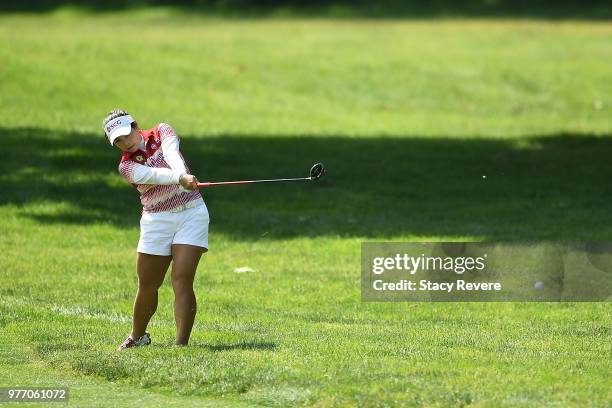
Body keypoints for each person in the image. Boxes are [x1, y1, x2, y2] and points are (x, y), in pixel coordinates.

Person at [102, 109, 210, 350]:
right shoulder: (126, 167)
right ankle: (138, 336)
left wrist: (182, 174)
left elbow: (172, 155)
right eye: (117, 141)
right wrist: (180, 179)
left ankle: (181, 346)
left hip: (191, 213)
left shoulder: (163, 130)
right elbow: (153, 175)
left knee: (182, 279)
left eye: (125, 135)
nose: (124, 143)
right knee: (148, 283)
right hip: (156, 220)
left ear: (135, 125)